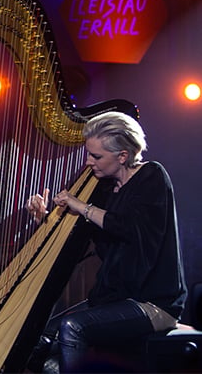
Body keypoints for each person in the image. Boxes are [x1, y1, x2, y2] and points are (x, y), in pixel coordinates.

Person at [25, 111, 187, 372]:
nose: (89, 162)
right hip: (111, 299)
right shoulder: (103, 189)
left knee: (72, 328)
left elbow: (128, 226)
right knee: (36, 338)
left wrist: (81, 207)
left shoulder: (152, 177)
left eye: (96, 156)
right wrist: (42, 221)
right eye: (88, 154)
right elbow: (75, 249)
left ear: (122, 156)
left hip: (152, 303)